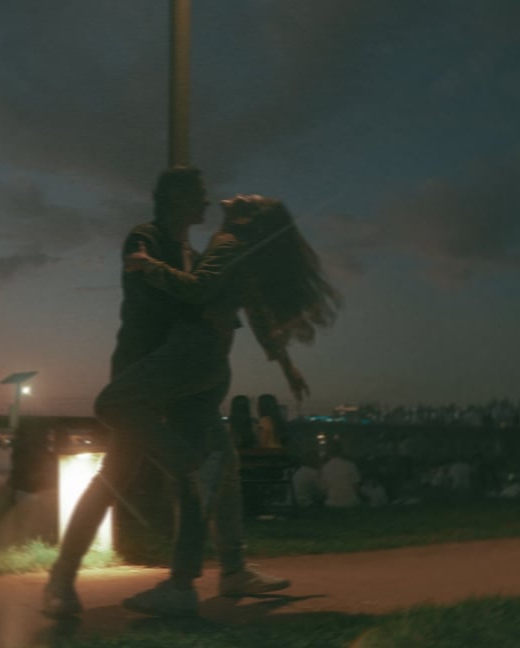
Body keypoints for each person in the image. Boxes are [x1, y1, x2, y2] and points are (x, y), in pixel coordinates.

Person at [42, 170, 293, 618]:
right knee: (120, 475)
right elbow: (169, 295)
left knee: (220, 467)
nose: (207, 201)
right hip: (143, 372)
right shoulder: (146, 237)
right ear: (175, 197)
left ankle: (229, 570)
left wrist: (222, 318)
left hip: (182, 376)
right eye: (199, 194)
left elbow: (215, 296)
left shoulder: (191, 251)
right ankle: (61, 579)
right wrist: (206, 308)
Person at [118, 193, 340, 614]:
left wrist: (150, 267)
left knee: (119, 409)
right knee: (226, 471)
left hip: (192, 359)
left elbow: (198, 290)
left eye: (249, 199)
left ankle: (181, 586)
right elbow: (257, 312)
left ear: (248, 217)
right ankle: (233, 570)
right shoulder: (239, 247)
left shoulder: (227, 242)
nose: (239, 194)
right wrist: (287, 366)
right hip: (212, 363)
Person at [319, 440, 361, 507]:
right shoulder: (350, 465)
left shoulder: (324, 468)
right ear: (341, 451)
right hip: (351, 502)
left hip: (332, 503)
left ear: (328, 452)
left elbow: (323, 490)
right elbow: (356, 487)